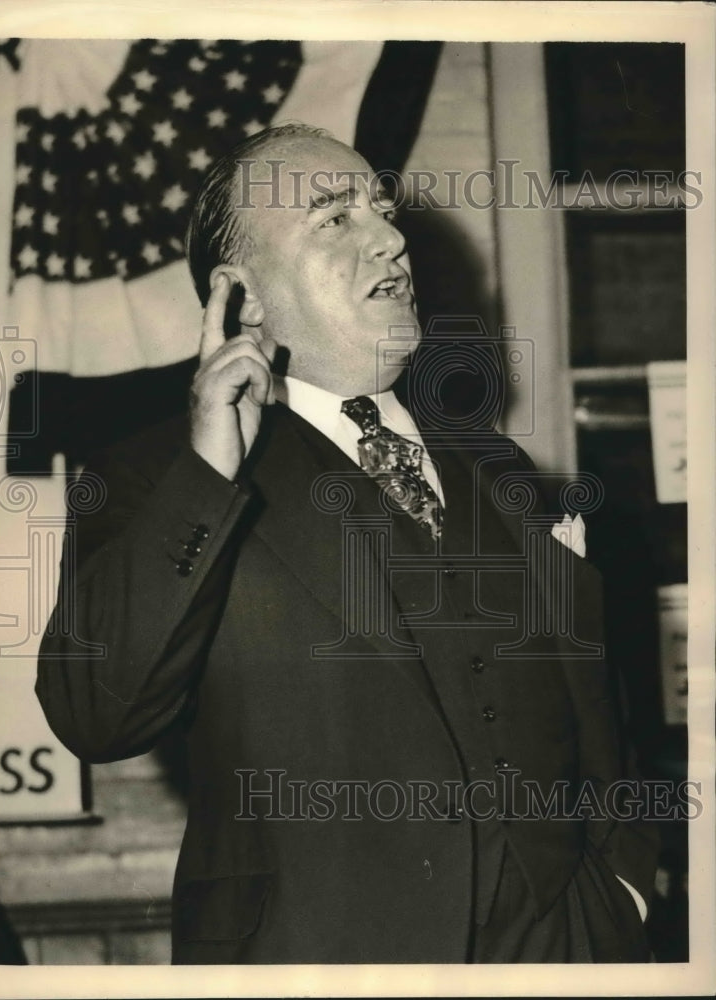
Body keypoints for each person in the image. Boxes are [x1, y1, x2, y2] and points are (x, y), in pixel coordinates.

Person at [36, 123, 659, 964]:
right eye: (334, 218)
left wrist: (619, 890)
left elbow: (594, 709)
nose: (391, 237)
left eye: (381, 209)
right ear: (242, 296)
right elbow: (95, 715)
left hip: (561, 949)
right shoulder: (160, 478)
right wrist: (209, 473)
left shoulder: (500, 469)